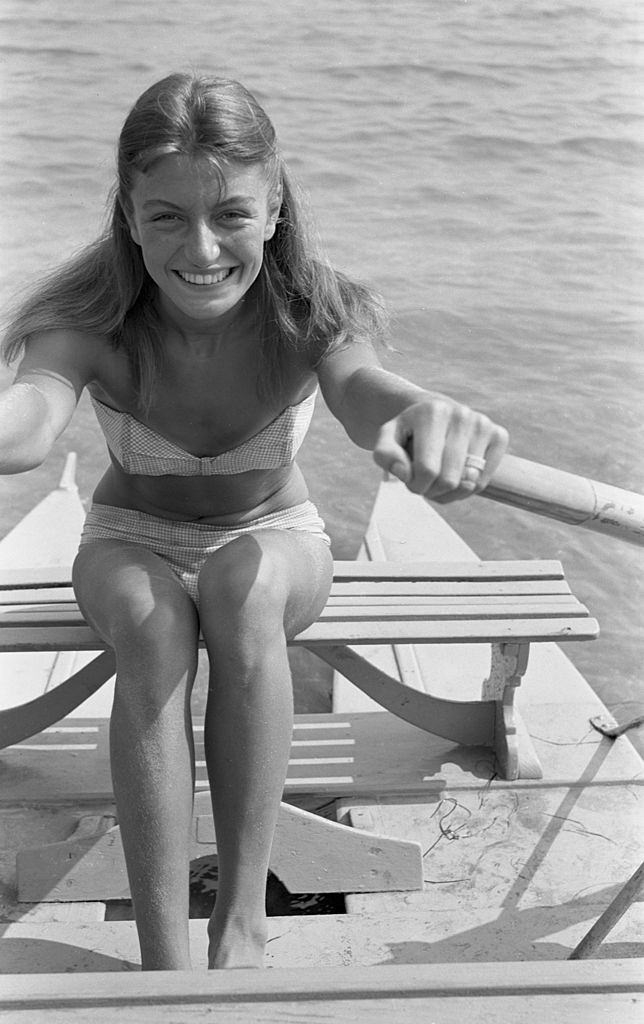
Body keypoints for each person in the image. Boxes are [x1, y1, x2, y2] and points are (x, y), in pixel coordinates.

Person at [0, 72, 508, 971]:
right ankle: (165, 955)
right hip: (129, 541)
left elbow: (366, 395)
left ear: (275, 208)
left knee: (242, 587)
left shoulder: (313, 312)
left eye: (232, 213)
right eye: (166, 217)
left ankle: (241, 921)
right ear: (127, 213)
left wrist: (423, 409)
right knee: (156, 628)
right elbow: (29, 423)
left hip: (278, 540)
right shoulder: (85, 320)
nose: (201, 249)